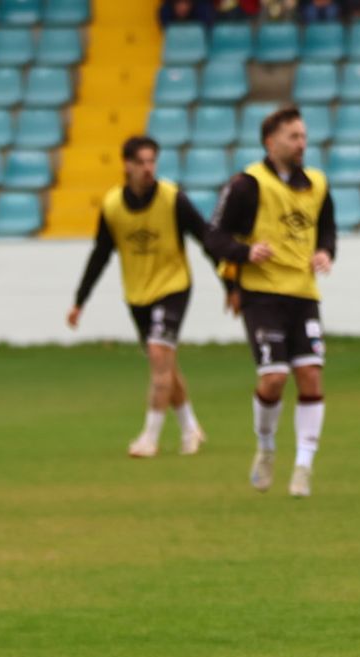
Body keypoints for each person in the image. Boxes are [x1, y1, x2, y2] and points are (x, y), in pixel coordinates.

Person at [67, 135, 265, 458]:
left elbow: (207, 241)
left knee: (160, 355)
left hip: (173, 287)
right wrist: (80, 300)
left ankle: (150, 437)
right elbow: (100, 254)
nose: (148, 169)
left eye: (152, 161)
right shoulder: (112, 206)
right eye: (141, 162)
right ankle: (190, 428)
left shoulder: (173, 199)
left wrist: (230, 287)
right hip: (137, 294)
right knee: (165, 366)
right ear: (127, 165)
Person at [209, 106, 337, 497]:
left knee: (311, 376)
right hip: (261, 295)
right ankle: (265, 447)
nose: (302, 144)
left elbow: (327, 229)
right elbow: (214, 237)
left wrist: (326, 253)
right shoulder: (247, 184)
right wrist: (244, 253)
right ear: (271, 141)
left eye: (303, 136)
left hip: (303, 294)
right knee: (274, 378)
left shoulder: (316, 183)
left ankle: (303, 466)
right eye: (293, 137)